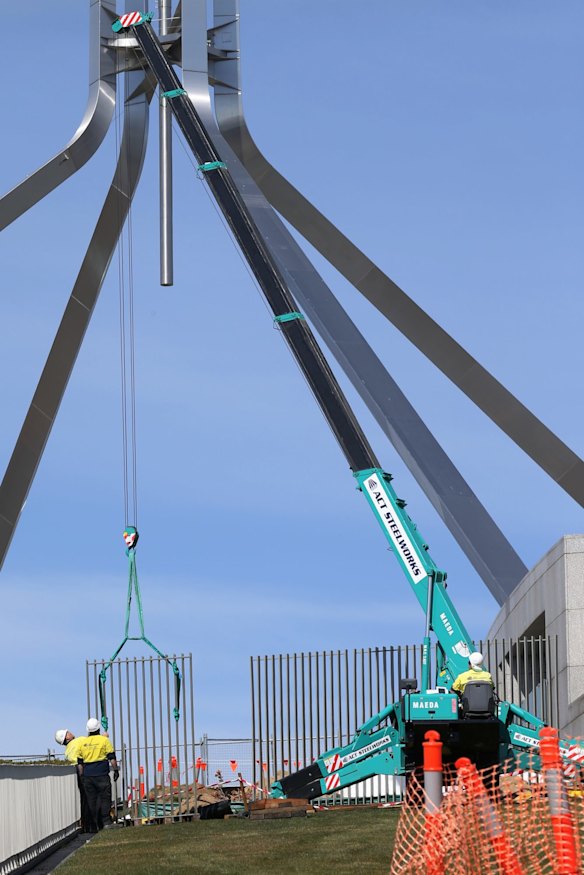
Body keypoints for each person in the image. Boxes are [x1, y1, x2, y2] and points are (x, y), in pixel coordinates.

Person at [77, 718, 119, 832]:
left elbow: (80, 764)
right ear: (98, 728)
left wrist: (82, 777)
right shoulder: (104, 740)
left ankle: (94, 825)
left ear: (88, 730)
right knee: (105, 798)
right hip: (101, 774)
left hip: (88, 775)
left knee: (92, 800)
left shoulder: (82, 743)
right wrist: (116, 770)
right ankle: (106, 822)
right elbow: (112, 758)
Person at [55, 728, 90, 831]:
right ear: (66, 737)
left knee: (83, 800)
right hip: (85, 771)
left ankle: (85, 823)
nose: (70, 732)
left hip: (77, 775)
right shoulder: (78, 741)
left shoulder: (67, 751)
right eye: (68, 732)